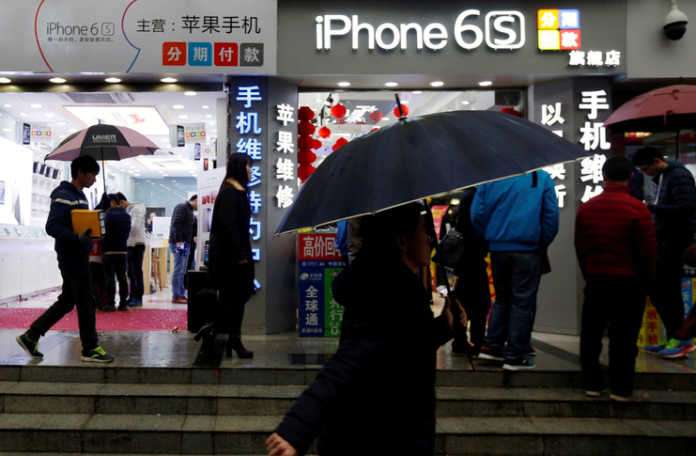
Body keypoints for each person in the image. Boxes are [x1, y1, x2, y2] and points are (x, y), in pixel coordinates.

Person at [266, 203, 454, 456]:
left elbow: (405, 345)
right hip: (376, 434)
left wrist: (445, 325)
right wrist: (297, 426)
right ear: (402, 240)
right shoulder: (389, 292)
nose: (429, 238)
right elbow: (351, 360)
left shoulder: (390, 285)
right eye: (423, 230)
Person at [16, 156, 114, 363]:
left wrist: (101, 208)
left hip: (78, 255)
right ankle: (90, 347)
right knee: (86, 301)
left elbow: (80, 221)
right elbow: (52, 226)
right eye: (92, 174)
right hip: (71, 256)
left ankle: (31, 336)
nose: (95, 179)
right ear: (80, 173)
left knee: (68, 301)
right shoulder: (63, 195)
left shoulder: (79, 195)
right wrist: (76, 238)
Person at [575, 156, 657, 401]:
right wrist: (646, 279)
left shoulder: (587, 208)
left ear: (604, 176)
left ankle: (592, 383)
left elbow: (580, 246)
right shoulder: (638, 209)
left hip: (596, 280)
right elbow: (648, 251)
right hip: (629, 283)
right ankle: (621, 388)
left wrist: (589, 273)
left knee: (591, 333)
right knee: (624, 335)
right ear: (630, 177)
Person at [472, 170, 559, 370]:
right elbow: (551, 217)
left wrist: (491, 236)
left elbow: (477, 214)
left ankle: (493, 347)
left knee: (502, 298)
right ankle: (515, 354)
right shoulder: (541, 177)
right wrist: (540, 242)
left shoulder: (490, 177)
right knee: (522, 301)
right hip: (528, 249)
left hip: (498, 249)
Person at [633, 147, 696, 359]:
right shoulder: (665, 175)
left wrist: (652, 208)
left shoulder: (679, 176)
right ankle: (674, 337)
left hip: (676, 243)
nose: (646, 173)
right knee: (664, 291)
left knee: (666, 291)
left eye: (646, 168)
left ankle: (681, 339)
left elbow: (687, 207)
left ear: (657, 161)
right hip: (667, 241)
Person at [207, 154, 256, 359]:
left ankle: (230, 339)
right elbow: (230, 228)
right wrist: (240, 255)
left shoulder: (236, 190)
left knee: (237, 300)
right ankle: (230, 339)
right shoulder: (230, 192)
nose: (250, 170)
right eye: (247, 166)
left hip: (236, 256)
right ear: (238, 167)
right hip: (231, 260)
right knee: (233, 301)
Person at [443, 189, 490, 356]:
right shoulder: (475, 195)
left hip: (463, 261)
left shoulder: (468, 196)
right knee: (480, 302)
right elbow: (474, 225)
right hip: (473, 258)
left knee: (464, 300)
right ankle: (475, 340)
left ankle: (461, 340)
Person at [103, 193, 132, 312]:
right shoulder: (127, 216)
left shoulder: (107, 215)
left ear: (112, 202)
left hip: (108, 250)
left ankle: (111, 303)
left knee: (110, 278)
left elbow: (103, 232)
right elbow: (127, 233)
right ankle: (123, 303)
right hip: (122, 250)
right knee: (122, 277)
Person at [169, 194, 198, 304]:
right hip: (180, 243)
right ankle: (176, 295)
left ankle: (180, 294)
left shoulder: (190, 210)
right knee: (179, 269)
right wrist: (179, 241)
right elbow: (176, 225)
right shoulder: (182, 207)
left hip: (184, 243)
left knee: (182, 270)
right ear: (195, 200)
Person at [127, 201, 146, 307]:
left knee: (136, 272)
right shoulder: (131, 210)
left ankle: (138, 297)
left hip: (136, 245)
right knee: (131, 272)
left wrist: (125, 230)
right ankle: (132, 296)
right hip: (131, 244)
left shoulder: (137, 210)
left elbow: (134, 227)